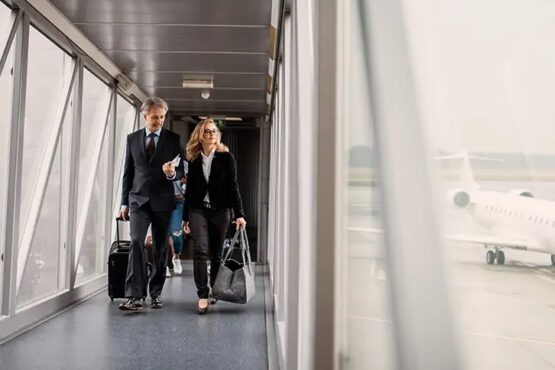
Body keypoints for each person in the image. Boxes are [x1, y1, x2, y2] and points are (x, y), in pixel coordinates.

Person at [118, 97, 185, 311]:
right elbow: (128, 173)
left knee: (160, 247)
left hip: (163, 201)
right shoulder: (132, 139)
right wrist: (123, 203)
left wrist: (172, 173)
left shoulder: (173, 139)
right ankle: (134, 295)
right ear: (145, 116)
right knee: (137, 242)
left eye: (162, 117)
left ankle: (155, 293)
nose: (159, 121)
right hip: (138, 201)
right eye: (155, 117)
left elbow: (182, 170)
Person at [182, 118, 246, 314]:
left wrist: (239, 214)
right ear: (200, 135)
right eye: (208, 131)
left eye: (214, 131)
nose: (212, 134)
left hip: (221, 210)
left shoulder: (226, 157)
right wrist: (185, 218)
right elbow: (190, 190)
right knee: (200, 249)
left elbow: (233, 187)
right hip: (198, 209)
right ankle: (202, 294)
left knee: (216, 253)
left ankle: (214, 288)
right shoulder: (193, 159)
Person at [168, 173, 188, 274]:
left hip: (178, 201)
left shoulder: (185, 164)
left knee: (176, 233)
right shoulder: (160, 159)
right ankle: (165, 264)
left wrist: (185, 184)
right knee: (162, 234)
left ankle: (176, 258)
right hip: (161, 200)